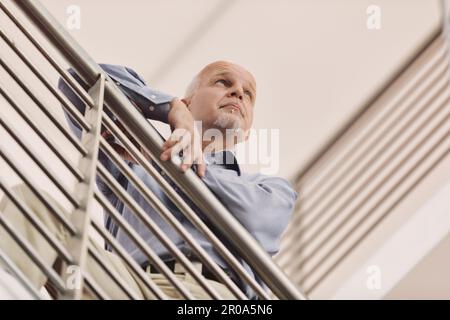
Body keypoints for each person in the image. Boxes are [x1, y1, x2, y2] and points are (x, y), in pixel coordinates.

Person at [1, 61, 297, 299]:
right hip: (130, 284)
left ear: (247, 132)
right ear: (189, 101)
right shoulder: (134, 163)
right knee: (31, 205)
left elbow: (259, 218)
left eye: (248, 94)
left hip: (215, 296)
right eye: (223, 82)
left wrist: (163, 157)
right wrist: (171, 110)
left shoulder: (270, 188)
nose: (238, 93)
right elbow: (76, 80)